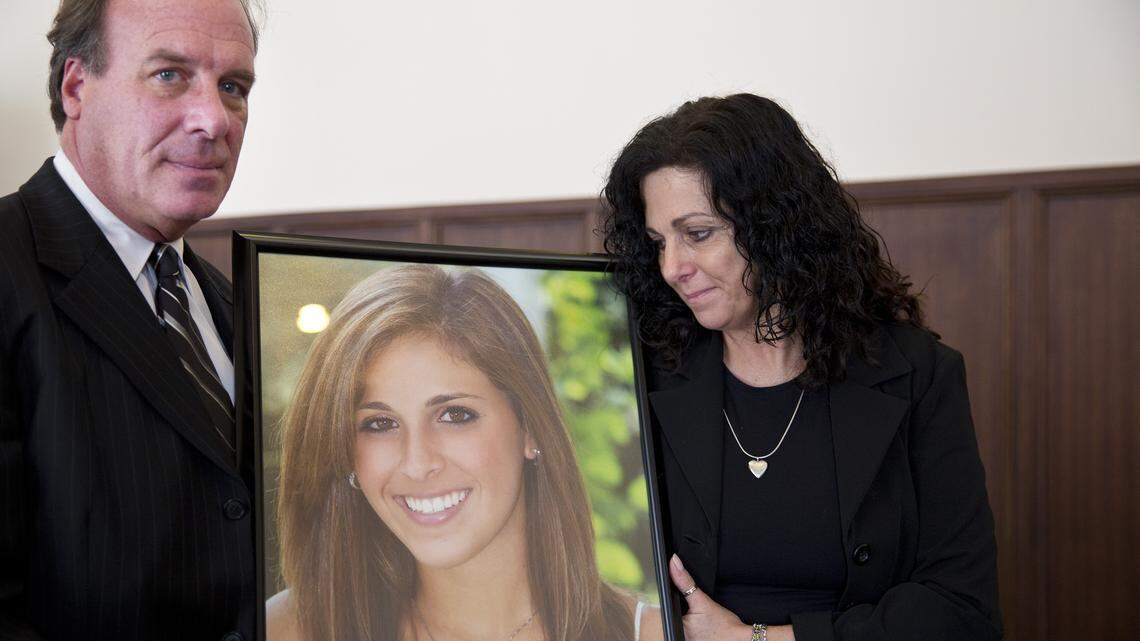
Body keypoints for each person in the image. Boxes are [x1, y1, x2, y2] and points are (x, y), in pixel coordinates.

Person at [601, 94, 1001, 641]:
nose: (672, 268)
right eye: (657, 243)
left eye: (697, 234)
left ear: (775, 226)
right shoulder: (644, 371)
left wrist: (756, 640)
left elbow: (963, 610)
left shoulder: (917, 373)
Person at [0, 0, 259, 639]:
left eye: (233, 87)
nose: (213, 120)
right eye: (170, 74)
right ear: (77, 86)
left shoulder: (230, 302)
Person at [266, 265, 662, 641]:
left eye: (455, 415)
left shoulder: (653, 635)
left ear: (530, 427)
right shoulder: (288, 629)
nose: (418, 463)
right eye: (379, 424)